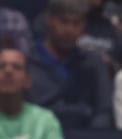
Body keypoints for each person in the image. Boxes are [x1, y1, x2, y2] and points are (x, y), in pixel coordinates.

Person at [28, 0, 112, 130]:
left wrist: (91, 138)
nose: (70, 30)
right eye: (64, 22)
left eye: (76, 23)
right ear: (48, 20)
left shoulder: (94, 64)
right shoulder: (26, 63)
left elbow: (104, 111)